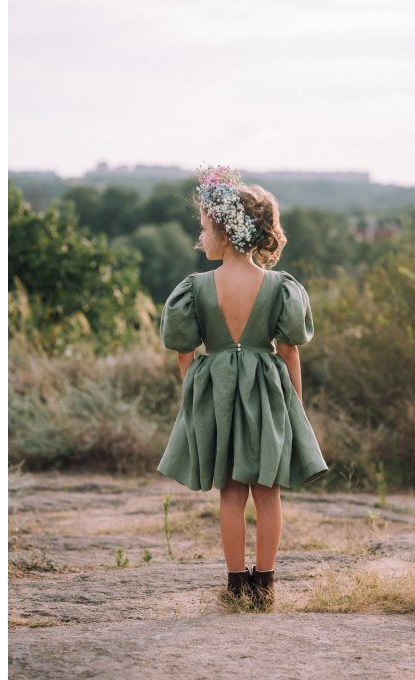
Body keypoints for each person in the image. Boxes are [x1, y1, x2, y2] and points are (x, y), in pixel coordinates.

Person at [157, 165, 327, 609]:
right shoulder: (279, 287)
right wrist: (295, 404)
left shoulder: (195, 288)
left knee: (231, 492)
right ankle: (265, 585)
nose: (201, 237)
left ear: (227, 233)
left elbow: (182, 351)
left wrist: (196, 392)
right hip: (268, 395)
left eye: (204, 228)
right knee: (267, 492)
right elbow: (290, 351)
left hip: (217, 394)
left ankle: (235, 585)